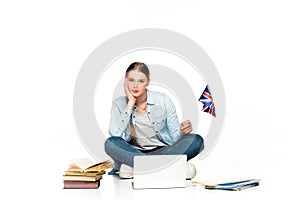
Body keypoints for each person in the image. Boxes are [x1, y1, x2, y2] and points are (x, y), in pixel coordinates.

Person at [104, 62, 204, 179]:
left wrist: (182, 133)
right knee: (110, 143)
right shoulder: (119, 103)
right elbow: (115, 135)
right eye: (131, 80)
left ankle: (138, 169)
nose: (135, 85)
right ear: (125, 81)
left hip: (162, 152)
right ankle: (168, 169)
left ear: (148, 82)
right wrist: (130, 104)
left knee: (196, 140)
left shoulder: (163, 100)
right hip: (131, 153)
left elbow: (173, 139)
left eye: (141, 81)